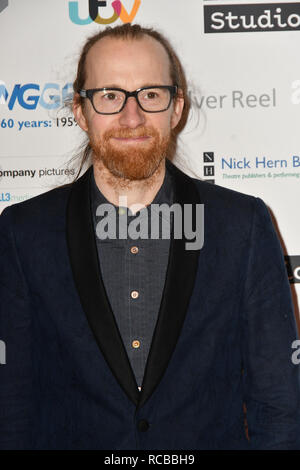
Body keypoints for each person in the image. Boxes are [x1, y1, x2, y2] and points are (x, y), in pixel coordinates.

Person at [0, 23, 299, 451]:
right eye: (110, 96)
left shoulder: (242, 225)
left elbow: (279, 403)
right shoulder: (22, 232)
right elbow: (11, 404)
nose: (132, 116)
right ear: (80, 111)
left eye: (151, 95)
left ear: (176, 109)